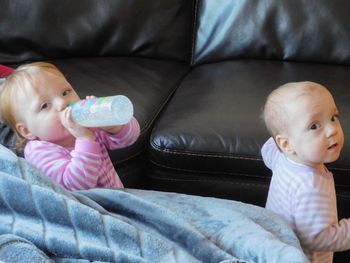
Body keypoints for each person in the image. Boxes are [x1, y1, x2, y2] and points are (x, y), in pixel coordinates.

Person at [0, 62, 140, 190]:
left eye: (65, 92)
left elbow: (130, 138)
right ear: (27, 130)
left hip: (118, 197)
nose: (62, 103)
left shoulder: (87, 126)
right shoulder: (39, 152)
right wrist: (84, 139)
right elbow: (76, 186)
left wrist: (112, 126)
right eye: (45, 106)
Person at [261, 81, 350, 263]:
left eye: (333, 117)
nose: (333, 130)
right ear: (286, 144)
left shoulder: (282, 159)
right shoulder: (311, 187)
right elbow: (318, 237)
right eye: (314, 126)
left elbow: (267, 150)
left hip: (276, 248)